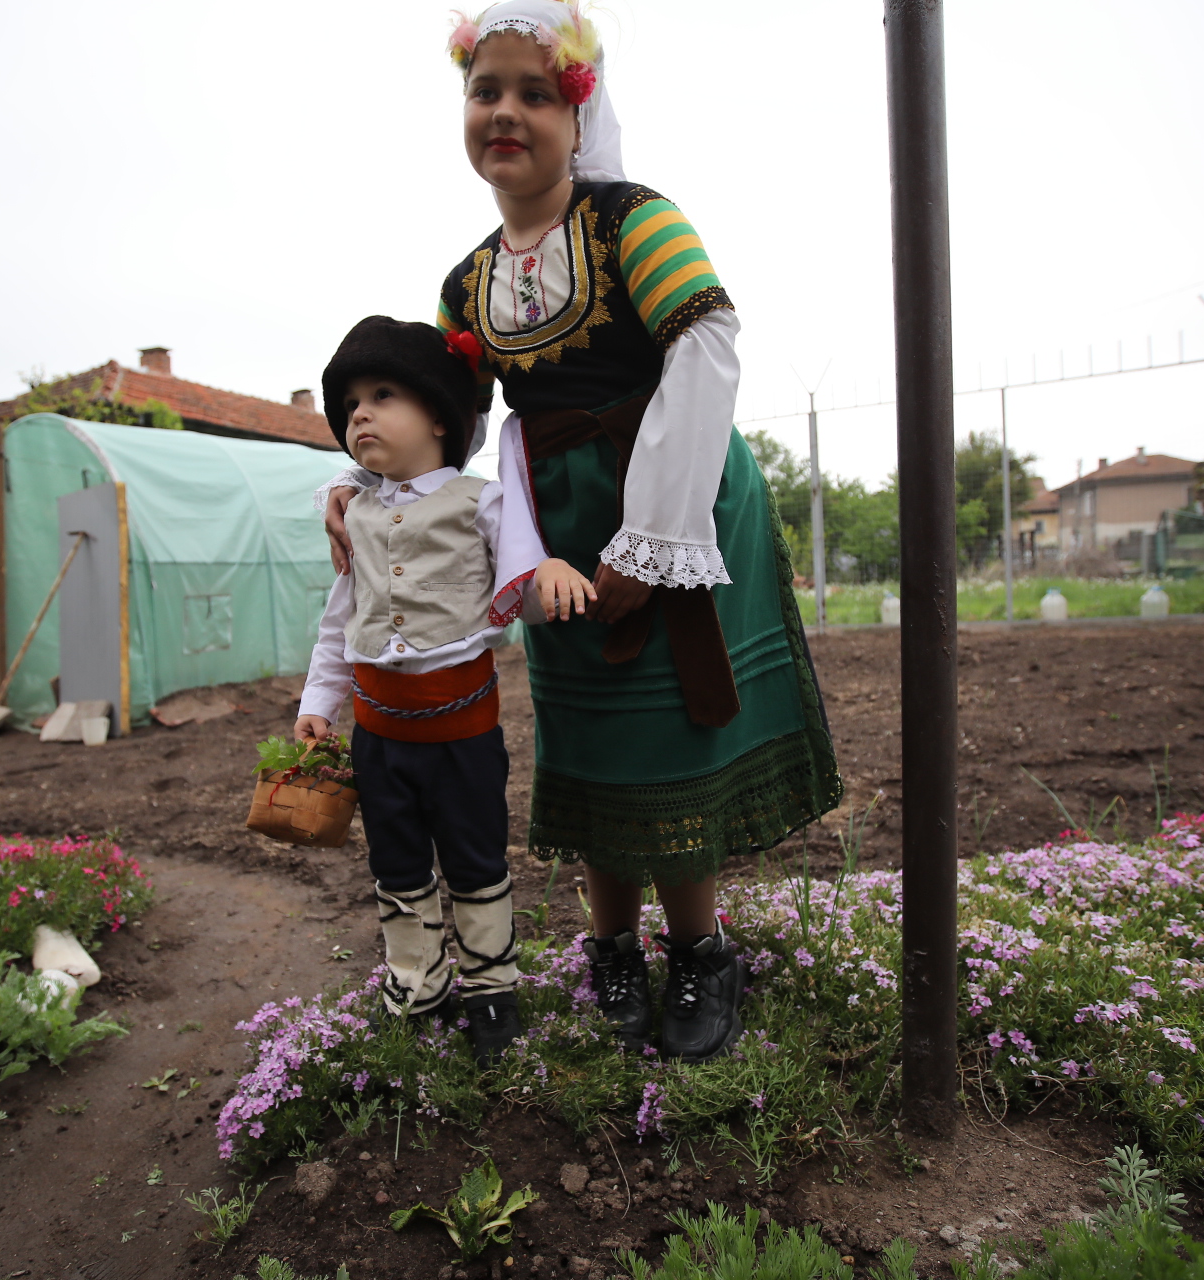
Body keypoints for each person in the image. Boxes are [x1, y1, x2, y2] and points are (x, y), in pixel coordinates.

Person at [321, 1, 842, 1064]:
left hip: (674, 499)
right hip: (548, 532)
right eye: (484, 92)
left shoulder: (633, 220)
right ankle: (610, 946)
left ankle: (699, 948)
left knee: (665, 731)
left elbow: (706, 350)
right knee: (590, 733)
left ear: (578, 109)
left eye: (535, 92)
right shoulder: (467, 282)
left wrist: (650, 538)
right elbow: (444, 428)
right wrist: (359, 488)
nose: (505, 112)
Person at [297, 315, 595, 1064]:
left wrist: (546, 574)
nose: (359, 413)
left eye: (383, 394)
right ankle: (415, 979)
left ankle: (492, 983)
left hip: (462, 733)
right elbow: (341, 623)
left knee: (474, 858)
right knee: (394, 862)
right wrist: (316, 704)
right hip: (379, 738)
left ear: (438, 415)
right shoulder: (355, 514)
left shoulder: (480, 500)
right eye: (351, 402)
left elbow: (523, 565)